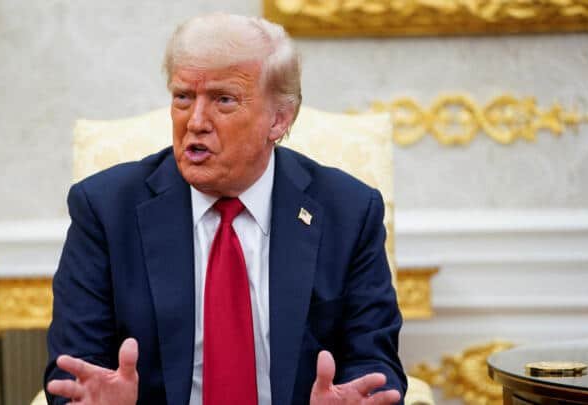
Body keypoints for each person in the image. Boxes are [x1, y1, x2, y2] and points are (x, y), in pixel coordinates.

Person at [44, 13, 406, 405]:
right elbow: (75, 370)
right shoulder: (105, 210)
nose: (196, 122)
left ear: (278, 119)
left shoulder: (348, 212)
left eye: (224, 100)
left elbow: (373, 362)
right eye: (183, 97)